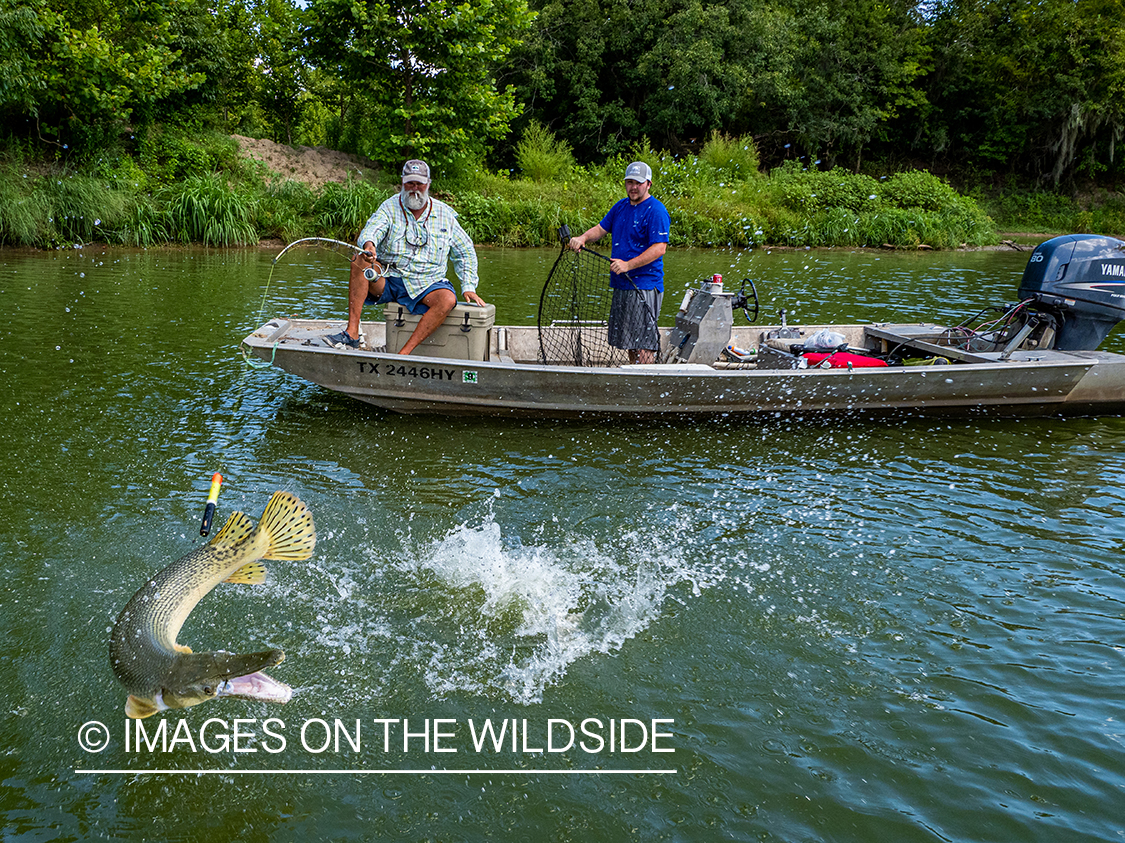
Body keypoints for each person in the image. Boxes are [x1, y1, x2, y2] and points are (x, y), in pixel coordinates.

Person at [324, 159, 486, 354]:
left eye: (419, 183)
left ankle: (404, 353)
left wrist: (468, 287)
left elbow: (465, 251)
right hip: (389, 278)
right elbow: (372, 229)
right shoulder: (389, 207)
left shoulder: (445, 214)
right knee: (359, 261)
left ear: (428, 184)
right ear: (402, 182)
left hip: (428, 283)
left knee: (447, 299)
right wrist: (369, 245)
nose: (414, 188)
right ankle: (351, 334)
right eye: (410, 183)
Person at [568, 161, 670, 363]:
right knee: (629, 341)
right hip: (622, 285)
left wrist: (627, 265)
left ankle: (645, 385)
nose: (633, 187)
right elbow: (601, 228)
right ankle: (635, 382)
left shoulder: (656, 211)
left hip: (645, 286)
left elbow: (660, 248)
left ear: (648, 184)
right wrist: (583, 238)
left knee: (644, 343)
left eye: (638, 183)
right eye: (629, 182)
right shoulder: (621, 207)